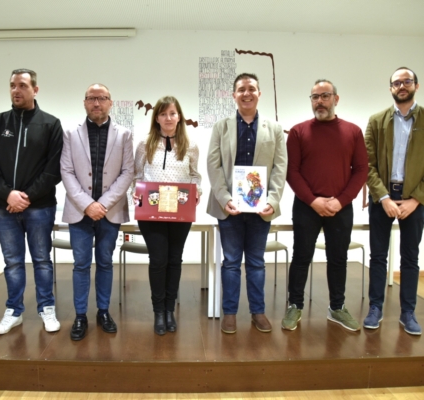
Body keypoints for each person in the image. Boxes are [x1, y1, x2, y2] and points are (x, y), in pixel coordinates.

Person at [283, 79, 368, 332]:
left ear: (336, 99)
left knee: (338, 258)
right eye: (314, 97)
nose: (319, 101)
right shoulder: (298, 132)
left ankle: (337, 307)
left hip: (341, 207)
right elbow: (292, 171)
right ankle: (295, 305)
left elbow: (361, 170)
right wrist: (313, 200)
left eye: (324, 96)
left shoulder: (353, 131)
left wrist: (341, 201)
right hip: (306, 206)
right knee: (301, 257)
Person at [0, 69, 63, 335]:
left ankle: (46, 308)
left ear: (35, 90)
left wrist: (25, 197)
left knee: (42, 260)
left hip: (39, 207)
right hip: (4, 207)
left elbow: (53, 170)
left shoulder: (50, 124)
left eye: (22, 85)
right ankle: (14, 311)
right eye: (12, 85)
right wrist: (8, 194)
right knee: (13, 262)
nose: (16, 90)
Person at [207, 73, 287, 334]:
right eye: (241, 89)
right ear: (234, 95)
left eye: (251, 88)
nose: (246, 93)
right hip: (229, 208)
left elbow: (279, 168)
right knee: (230, 261)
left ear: (259, 93)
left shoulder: (274, 129)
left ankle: (258, 312)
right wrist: (225, 198)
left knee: (256, 262)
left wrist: (273, 200)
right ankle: (230, 313)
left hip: (260, 209)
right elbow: (213, 165)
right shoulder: (221, 126)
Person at [61, 83, 134, 341]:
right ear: (84, 102)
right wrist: (87, 204)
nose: (96, 103)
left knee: (105, 262)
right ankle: (80, 315)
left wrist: (102, 204)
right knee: (81, 265)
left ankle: (103, 312)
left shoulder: (124, 135)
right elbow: (67, 172)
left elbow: (128, 172)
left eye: (102, 98)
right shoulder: (70, 134)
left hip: (109, 212)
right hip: (79, 212)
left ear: (110, 102)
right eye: (91, 98)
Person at [133, 96, 202, 335]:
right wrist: (136, 194)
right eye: (163, 114)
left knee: (175, 260)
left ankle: (169, 309)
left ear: (179, 116)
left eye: (172, 113)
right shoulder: (145, 143)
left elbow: (195, 175)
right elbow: (137, 175)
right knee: (158, 260)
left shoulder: (190, 144)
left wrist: (197, 192)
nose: (168, 118)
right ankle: (158, 311)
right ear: (157, 118)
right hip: (151, 212)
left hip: (180, 211)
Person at [364, 67, 424, 336]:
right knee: (378, 256)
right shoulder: (377, 121)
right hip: (382, 199)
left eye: (407, 81)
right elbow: (367, 165)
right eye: (397, 83)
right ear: (390, 88)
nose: (402, 86)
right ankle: (375, 307)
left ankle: (407, 312)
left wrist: (416, 199)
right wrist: (384, 197)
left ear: (416, 86)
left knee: (410, 258)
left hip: (415, 200)